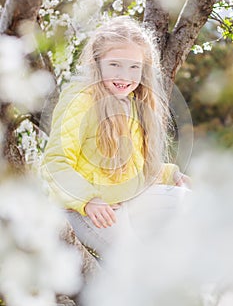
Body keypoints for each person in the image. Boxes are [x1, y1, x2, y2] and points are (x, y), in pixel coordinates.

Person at [40, 15, 191, 258]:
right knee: (136, 260)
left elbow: (127, 166)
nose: (125, 76)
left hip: (125, 200)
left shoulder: (132, 103)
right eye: (114, 65)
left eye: (134, 67)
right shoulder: (80, 101)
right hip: (84, 208)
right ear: (97, 63)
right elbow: (55, 163)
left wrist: (169, 173)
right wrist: (89, 200)